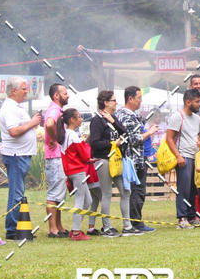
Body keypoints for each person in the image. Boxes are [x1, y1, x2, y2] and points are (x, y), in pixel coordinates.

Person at [88, 90, 137, 237]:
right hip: (103, 160)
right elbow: (94, 143)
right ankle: (106, 227)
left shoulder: (112, 118)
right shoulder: (96, 120)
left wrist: (113, 121)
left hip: (116, 160)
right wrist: (112, 143)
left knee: (125, 191)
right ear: (106, 102)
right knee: (106, 193)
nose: (116, 103)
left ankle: (127, 225)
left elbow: (125, 132)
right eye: (114, 100)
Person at [0, 80, 41, 241]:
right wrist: (32, 123)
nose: (26, 92)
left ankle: (14, 227)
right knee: (16, 193)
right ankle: (12, 229)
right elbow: (14, 131)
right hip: (16, 155)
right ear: (13, 91)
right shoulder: (9, 108)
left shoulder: (15, 107)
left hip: (20, 154)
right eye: (23, 89)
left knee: (17, 192)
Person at [117, 86, 158, 233]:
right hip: (133, 160)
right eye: (139, 98)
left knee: (137, 191)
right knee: (136, 191)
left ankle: (135, 221)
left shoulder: (131, 115)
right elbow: (132, 139)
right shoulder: (125, 116)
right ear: (130, 99)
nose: (141, 101)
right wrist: (149, 133)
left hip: (137, 159)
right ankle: (135, 223)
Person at [165, 88, 200, 228]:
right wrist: (178, 156)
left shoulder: (197, 118)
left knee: (194, 189)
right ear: (188, 102)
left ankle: (192, 215)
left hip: (196, 157)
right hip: (184, 157)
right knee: (184, 189)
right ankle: (182, 218)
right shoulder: (177, 117)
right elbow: (169, 138)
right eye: (197, 101)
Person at [58, 108, 92, 241]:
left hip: (70, 171)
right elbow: (84, 154)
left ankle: (75, 228)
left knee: (87, 201)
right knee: (80, 200)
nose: (81, 119)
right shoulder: (73, 135)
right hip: (77, 171)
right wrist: (87, 148)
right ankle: (77, 232)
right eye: (78, 117)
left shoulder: (65, 134)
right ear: (72, 120)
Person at [43, 83, 69, 238]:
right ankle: (52, 228)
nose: (67, 96)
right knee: (54, 194)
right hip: (54, 157)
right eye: (64, 93)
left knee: (59, 193)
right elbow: (49, 123)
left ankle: (59, 226)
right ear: (56, 96)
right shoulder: (54, 110)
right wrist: (53, 138)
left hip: (58, 156)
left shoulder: (58, 110)